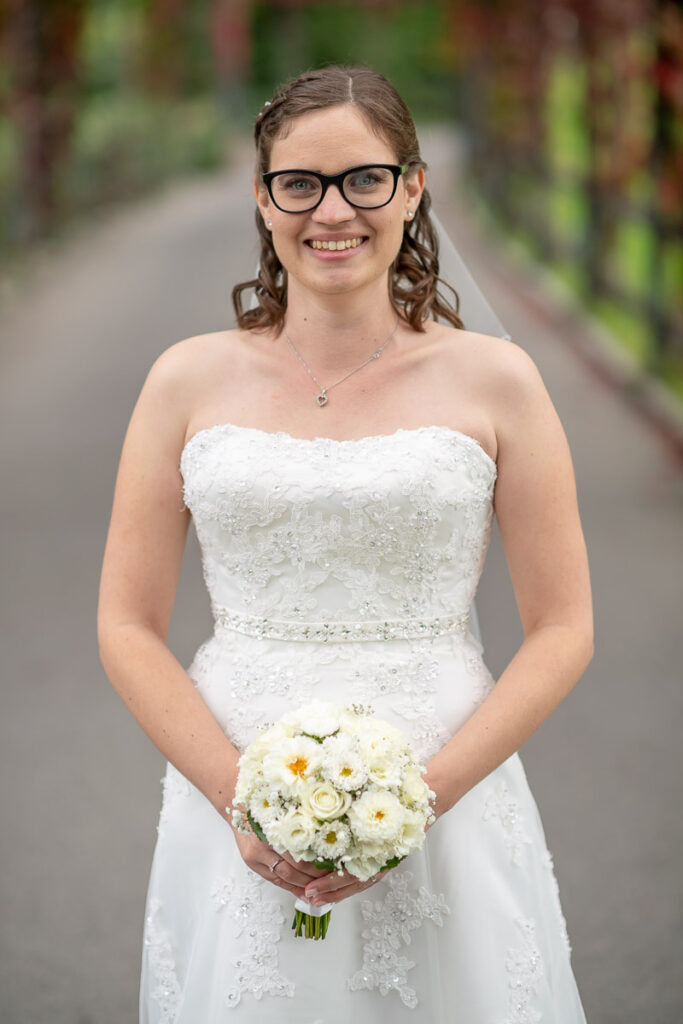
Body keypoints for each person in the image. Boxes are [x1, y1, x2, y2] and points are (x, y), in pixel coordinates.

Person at [98, 65, 593, 1022]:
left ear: (411, 187)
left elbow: (565, 627)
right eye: (301, 184)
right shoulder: (183, 381)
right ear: (262, 196)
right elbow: (124, 623)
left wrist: (416, 801)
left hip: (445, 775)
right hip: (233, 782)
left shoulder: (498, 384)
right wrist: (238, 799)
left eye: (364, 179)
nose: (333, 211)